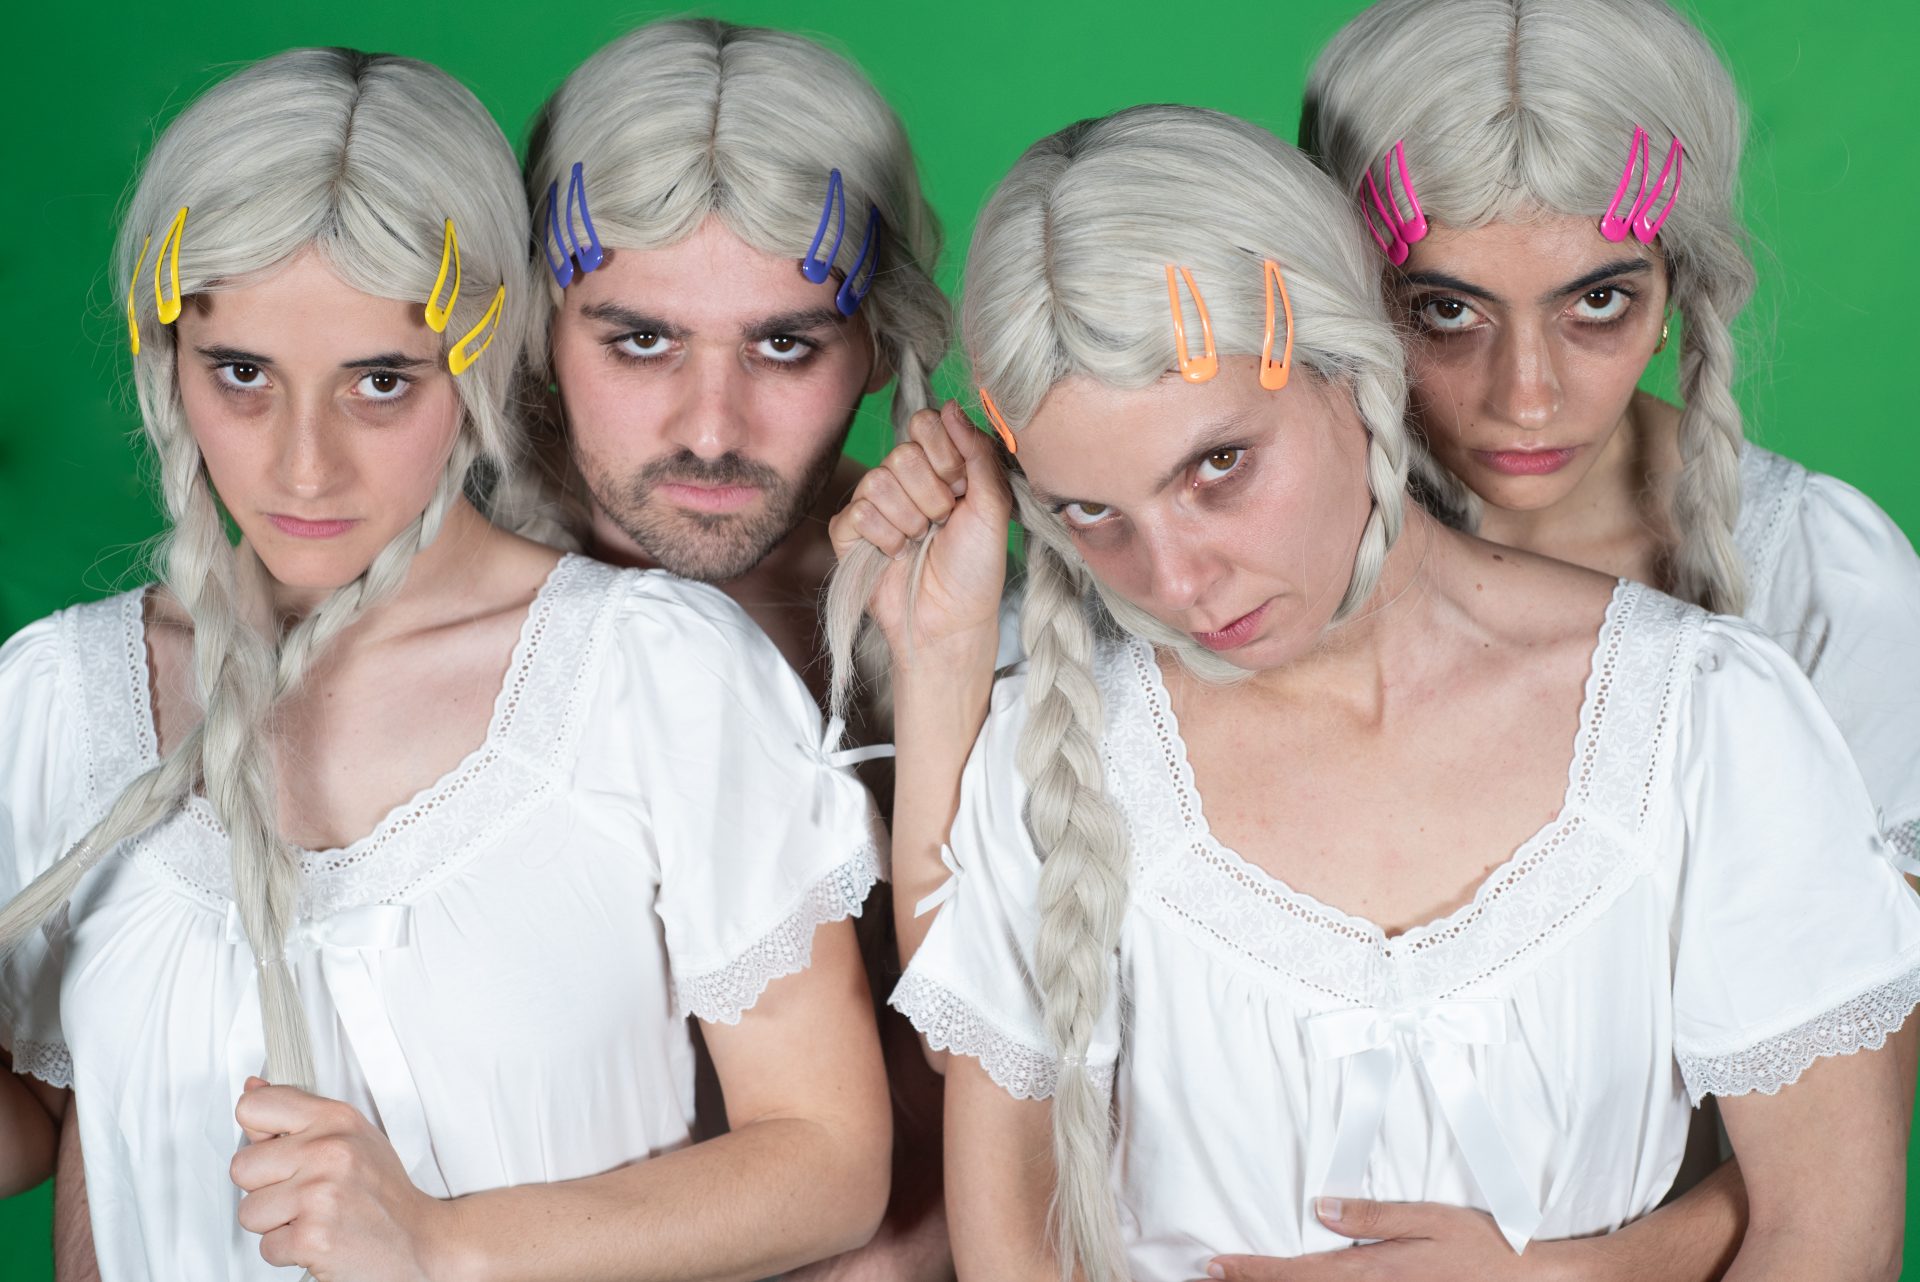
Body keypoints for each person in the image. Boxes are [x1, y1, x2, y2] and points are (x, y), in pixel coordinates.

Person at [832, 104, 1920, 1282]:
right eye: (1093, 512)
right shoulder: (1058, 750)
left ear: (1359, 367)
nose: (1178, 582)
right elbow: (1016, 1250)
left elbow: (1828, 1232)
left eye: (1217, 466)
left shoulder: (1702, 716)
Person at [0, 47, 888, 1280]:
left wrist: (443, 1242)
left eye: (380, 381)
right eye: (242, 373)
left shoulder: (658, 676)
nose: (304, 467)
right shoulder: (55, 696)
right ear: (169, 361)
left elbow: (830, 1163)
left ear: (482, 356)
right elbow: (55, 1124)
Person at [1303, 0, 1920, 874]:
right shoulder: (1237, 558)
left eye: (1597, 302)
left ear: (1676, 288)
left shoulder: (1822, 581)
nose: (1527, 399)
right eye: (1446, 310)